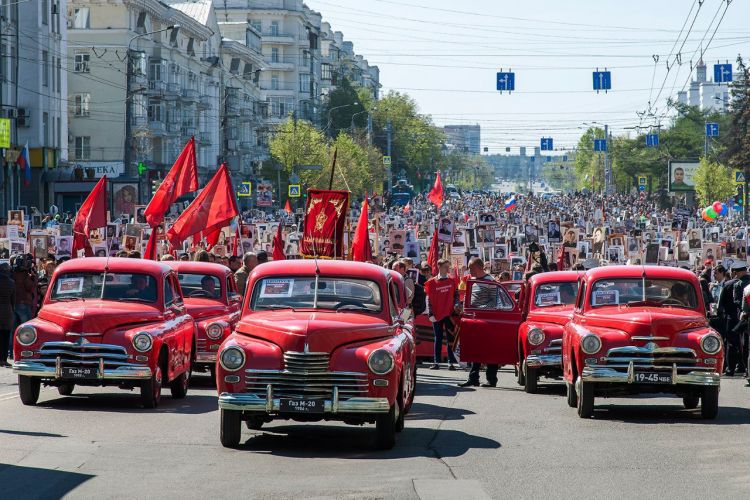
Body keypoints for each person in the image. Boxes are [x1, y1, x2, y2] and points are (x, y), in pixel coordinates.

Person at [459, 257, 499, 388]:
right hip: (473, 319)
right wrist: (463, 306)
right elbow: (468, 297)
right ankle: (473, 378)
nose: (469, 270)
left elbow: (495, 301)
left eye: (471, 268)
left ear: (478, 267)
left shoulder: (490, 281)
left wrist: (479, 310)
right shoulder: (472, 281)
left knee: (490, 350)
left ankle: (491, 379)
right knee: (474, 349)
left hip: (487, 321)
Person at [424, 259, 459, 370]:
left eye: (448, 267)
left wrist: (457, 304)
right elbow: (428, 298)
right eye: (445, 267)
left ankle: (451, 362)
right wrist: (430, 313)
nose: (448, 269)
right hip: (437, 313)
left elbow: (456, 295)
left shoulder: (452, 280)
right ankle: (436, 362)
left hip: (449, 314)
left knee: (450, 339)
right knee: (438, 338)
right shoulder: (431, 282)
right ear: (439, 267)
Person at [0, 263, 15, 367]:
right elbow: (13, 300)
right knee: (5, 337)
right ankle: (3, 360)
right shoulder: (11, 282)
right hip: (7, 311)